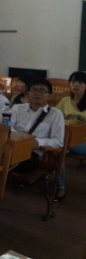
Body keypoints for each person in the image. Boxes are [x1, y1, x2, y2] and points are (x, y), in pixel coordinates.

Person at [11, 79, 64, 174]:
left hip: (32, 152)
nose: (37, 93)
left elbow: (58, 141)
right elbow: (8, 127)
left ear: (50, 95)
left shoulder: (55, 114)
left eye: (42, 91)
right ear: (28, 93)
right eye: (34, 90)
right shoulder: (17, 108)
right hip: (12, 146)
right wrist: (18, 138)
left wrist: (38, 142)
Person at [54, 71, 86, 202]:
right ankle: (60, 188)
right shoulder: (64, 101)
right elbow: (55, 119)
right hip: (66, 140)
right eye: (73, 82)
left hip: (83, 142)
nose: (76, 85)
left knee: (62, 148)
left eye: (80, 82)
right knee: (59, 153)